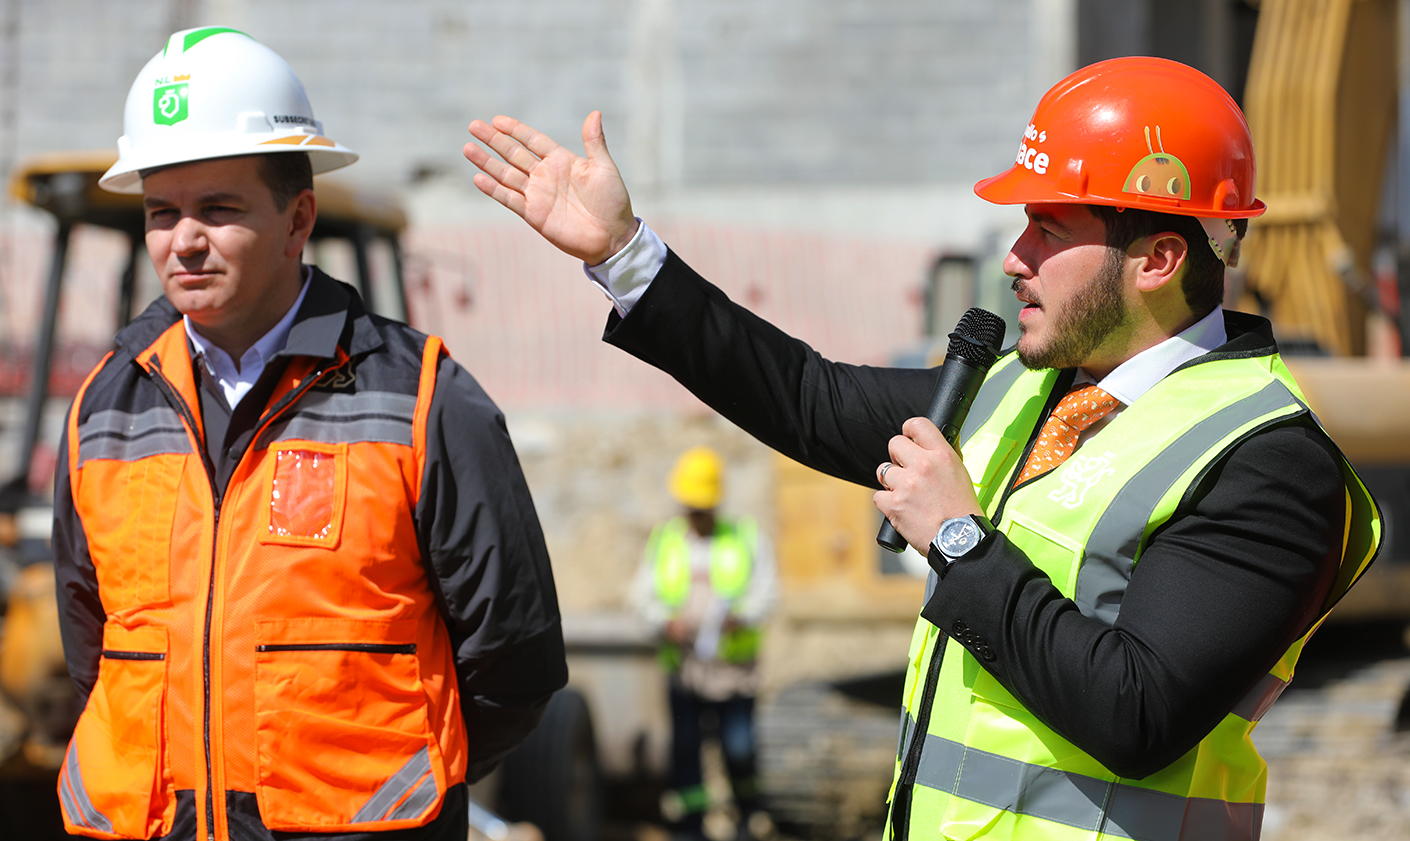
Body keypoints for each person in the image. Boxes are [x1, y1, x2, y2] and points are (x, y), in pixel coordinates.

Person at [462, 56, 1381, 840]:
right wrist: (625, 255)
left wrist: (958, 538)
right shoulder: (1016, 391)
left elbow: (1137, 712)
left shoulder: (1266, 460)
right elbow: (807, 396)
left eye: (1048, 228)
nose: (1014, 256)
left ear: (1158, 260)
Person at [52, 27, 566, 841]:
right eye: (161, 212)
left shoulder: (423, 399)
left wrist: (390, 787)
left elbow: (515, 661)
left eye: (219, 209)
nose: (184, 240)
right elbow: (95, 654)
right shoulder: (103, 411)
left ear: (298, 219)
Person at [630, 446, 777, 840]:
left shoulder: (744, 536)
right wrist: (665, 622)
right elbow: (642, 597)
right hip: (685, 671)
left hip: (733, 673)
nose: (696, 515)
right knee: (685, 751)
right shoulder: (666, 540)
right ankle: (691, 828)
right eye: (691, 507)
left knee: (739, 749)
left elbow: (766, 592)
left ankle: (747, 817)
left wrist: (739, 616)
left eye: (702, 508)